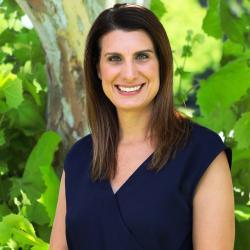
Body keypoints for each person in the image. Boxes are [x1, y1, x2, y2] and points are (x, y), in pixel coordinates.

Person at [49, 3, 235, 250]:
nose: (129, 74)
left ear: (162, 63)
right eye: (114, 59)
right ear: (97, 69)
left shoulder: (202, 155)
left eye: (142, 56)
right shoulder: (79, 159)